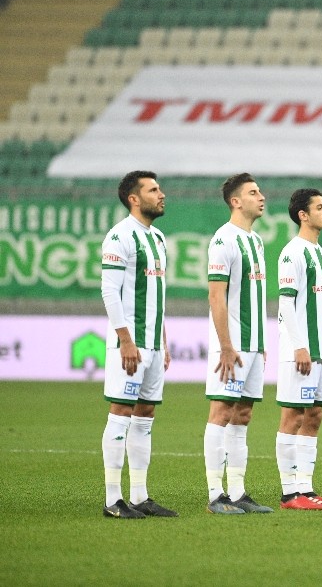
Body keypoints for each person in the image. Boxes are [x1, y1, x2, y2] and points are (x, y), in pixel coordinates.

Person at [99, 170, 177, 518]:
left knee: (145, 417)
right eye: (153, 190)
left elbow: (156, 295)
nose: (161, 195)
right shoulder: (120, 236)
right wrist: (125, 340)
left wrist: (162, 340)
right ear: (134, 198)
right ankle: (113, 500)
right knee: (120, 414)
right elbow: (109, 291)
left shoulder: (157, 237)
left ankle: (140, 496)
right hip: (129, 345)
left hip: (153, 345)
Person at [203, 173, 273, 514]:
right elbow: (216, 298)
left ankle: (238, 492)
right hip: (230, 345)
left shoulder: (255, 242)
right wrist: (226, 346)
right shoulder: (223, 240)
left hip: (252, 344)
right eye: (253, 192)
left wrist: (259, 342)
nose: (261, 197)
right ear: (236, 201)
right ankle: (215, 494)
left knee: (242, 414)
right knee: (221, 412)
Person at [275, 189, 322, 510]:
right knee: (293, 416)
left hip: (318, 350)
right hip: (297, 351)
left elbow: (316, 306)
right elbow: (286, 303)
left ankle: (306, 488)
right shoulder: (293, 252)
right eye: (319, 207)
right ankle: (289, 493)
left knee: (314, 415)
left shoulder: (319, 253)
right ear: (303, 214)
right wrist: (300, 346)